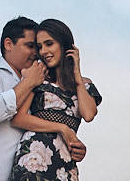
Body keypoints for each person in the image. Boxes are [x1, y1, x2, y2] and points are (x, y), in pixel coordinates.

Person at [0, 16, 86, 181]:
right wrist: (29, 82)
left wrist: (72, 144)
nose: (36, 53)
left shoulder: (40, 84)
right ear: (8, 44)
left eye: (37, 47)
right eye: (30, 46)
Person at [8, 18, 101, 181]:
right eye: (40, 46)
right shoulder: (38, 76)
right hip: (33, 160)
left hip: (65, 164)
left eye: (49, 43)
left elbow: (88, 114)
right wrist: (62, 128)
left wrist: (77, 77)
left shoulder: (84, 85)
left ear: (64, 45)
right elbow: (18, 119)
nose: (43, 51)